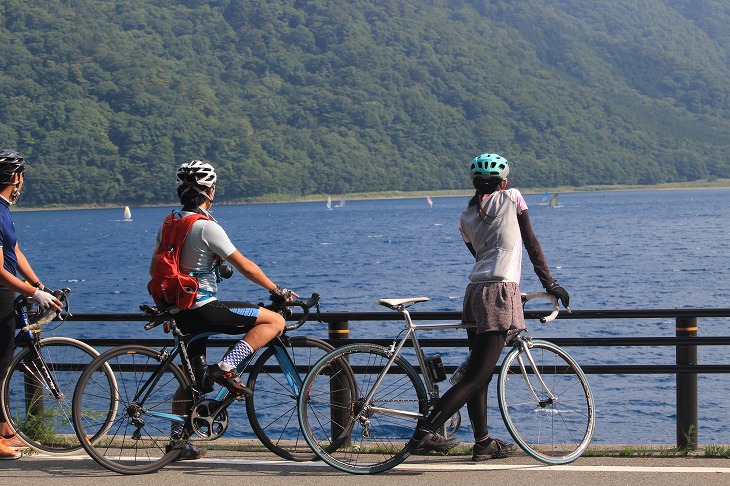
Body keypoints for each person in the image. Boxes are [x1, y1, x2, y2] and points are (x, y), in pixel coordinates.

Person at [407, 153, 570, 460]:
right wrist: (550, 283)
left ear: (474, 183)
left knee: (478, 371)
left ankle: (482, 442)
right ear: (503, 182)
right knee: (477, 375)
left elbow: (481, 257)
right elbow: (530, 242)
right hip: (499, 293)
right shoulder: (513, 197)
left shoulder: (465, 217)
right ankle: (425, 431)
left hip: (474, 294)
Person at [149, 160, 293, 460]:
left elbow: (155, 266)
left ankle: (178, 444)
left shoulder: (170, 221)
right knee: (274, 320)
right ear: (209, 192)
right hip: (203, 307)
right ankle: (228, 366)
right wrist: (276, 290)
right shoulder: (205, 227)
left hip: (179, 310)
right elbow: (246, 266)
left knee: (194, 383)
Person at [0, 149, 62, 460]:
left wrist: (39, 286)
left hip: (7, 291)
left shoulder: (3, 209)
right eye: (21, 175)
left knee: (6, 359)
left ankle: (5, 430)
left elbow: (16, 252)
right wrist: (34, 294)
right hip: (0, 292)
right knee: (0, 364)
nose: (22, 181)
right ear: (15, 177)